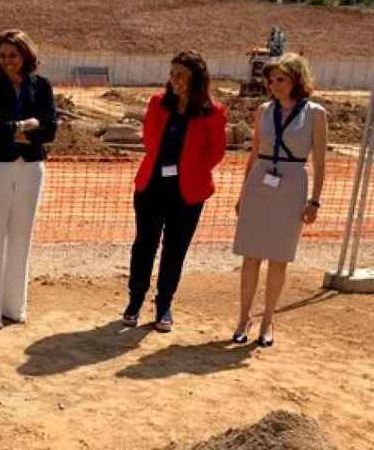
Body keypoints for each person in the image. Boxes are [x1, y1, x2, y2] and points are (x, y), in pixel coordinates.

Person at [123, 51, 227, 332]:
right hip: (152, 186)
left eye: (180, 75)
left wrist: (191, 170)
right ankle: (134, 300)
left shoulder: (212, 111)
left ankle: (164, 304)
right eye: (172, 74)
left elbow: (216, 152)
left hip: (189, 192)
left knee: (175, 249)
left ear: (196, 78)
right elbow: (148, 138)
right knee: (144, 244)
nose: (174, 80)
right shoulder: (158, 103)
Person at [232, 53, 326, 348]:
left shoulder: (316, 113)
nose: (274, 84)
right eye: (271, 79)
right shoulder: (263, 110)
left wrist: (315, 201)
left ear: (297, 79)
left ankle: (268, 320)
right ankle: (242, 318)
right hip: (260, 181)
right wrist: (242, 193)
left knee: (278, 259)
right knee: (251, 256)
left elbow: (321, 162)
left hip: (292, 184)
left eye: (281, 79)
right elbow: (254, 152)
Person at [0, 30, 57, 329]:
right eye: (2, 55)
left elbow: (50, 131)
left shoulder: (42, 86)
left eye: (13, 54)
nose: (8, 61)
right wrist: (27, 125)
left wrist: (11, 127)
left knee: (21, 237)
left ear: (25, 55)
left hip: (31, 167)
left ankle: (14, 307)